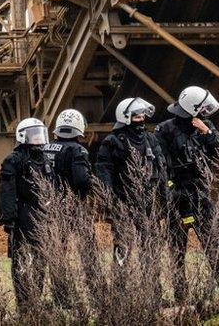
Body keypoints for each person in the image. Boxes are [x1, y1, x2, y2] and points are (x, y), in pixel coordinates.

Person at [155, 86, 219, 304]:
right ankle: (181, 296)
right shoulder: (164, 130)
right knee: (177, 249)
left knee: (215, 244)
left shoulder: (205, 127)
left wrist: (207, 133)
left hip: (200, 194)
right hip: (177, 197)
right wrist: (169, 190)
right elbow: (159, 165)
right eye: (201, 109)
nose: (205, 114)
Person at [95, 97, 167, 302]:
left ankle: (154, 294)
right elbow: (104, 171)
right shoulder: (113, 142)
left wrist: (164, 195)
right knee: (123, 248)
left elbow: (161, 168)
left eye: (143, 115)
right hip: (123, 202)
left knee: (150, 248)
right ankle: (119, 294)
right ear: (126, 117)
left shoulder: (151, 139)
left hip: (148, 202)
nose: (141, 119)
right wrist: (112, 200)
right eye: (137, 115)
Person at [42, 109, 101, 305]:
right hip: (74, 207)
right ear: (79, 129)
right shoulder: (78, 150)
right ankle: (96, 293)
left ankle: (61, 297)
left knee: (58, 251)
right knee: (88, 251)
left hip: (51, 206)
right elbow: (82, 180)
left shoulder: (46, 148)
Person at [0, 117, 55, 309]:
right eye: (35, 135)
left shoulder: (46, 160)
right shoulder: (14, 160)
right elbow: (8, 191)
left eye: (41, 135)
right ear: (23, 137)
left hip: (43, 217)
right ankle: (24, 304)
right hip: (22, 215)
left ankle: (35, 301)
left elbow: (53, 187)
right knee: (22, 261)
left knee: (41, 260)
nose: (39, 139)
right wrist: (9, 220)